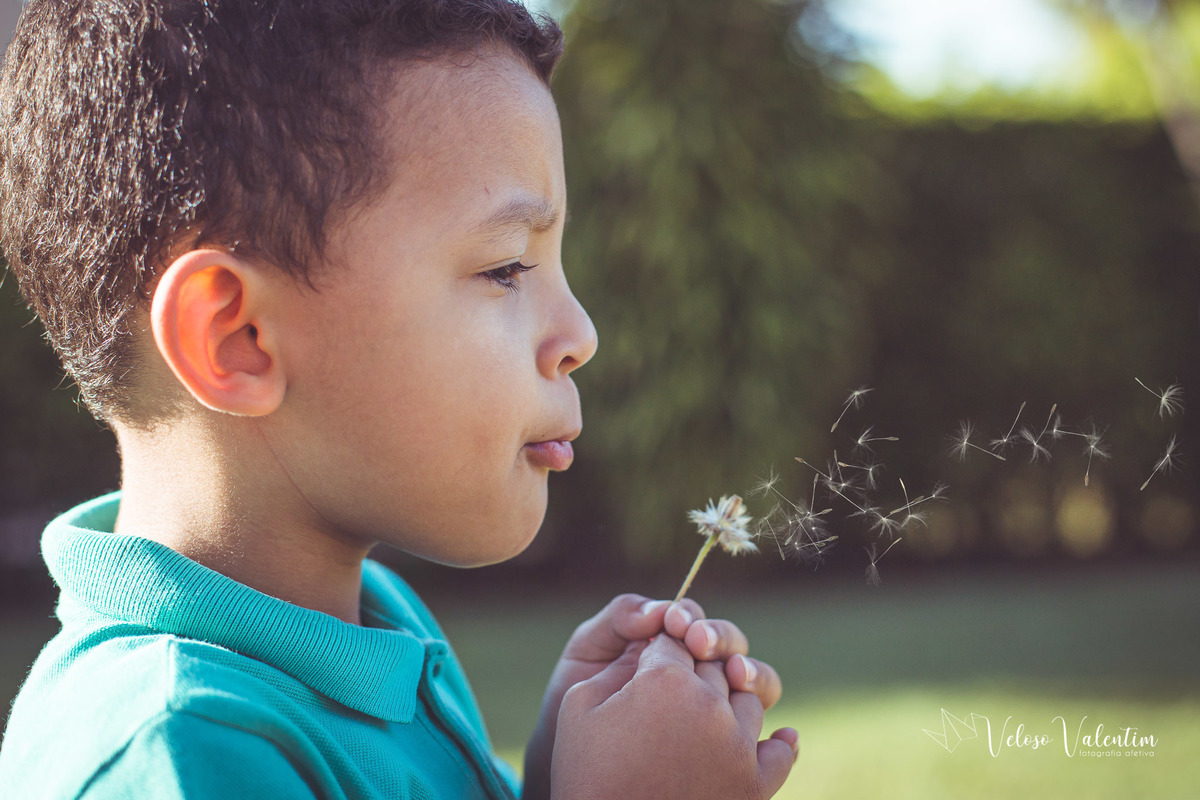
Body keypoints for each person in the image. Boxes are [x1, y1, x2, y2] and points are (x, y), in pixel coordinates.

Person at [0, 1, 799, 797]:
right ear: (238, 338)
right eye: (506, 268)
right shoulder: (175, 754)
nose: (579, 334)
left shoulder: (377, 617)